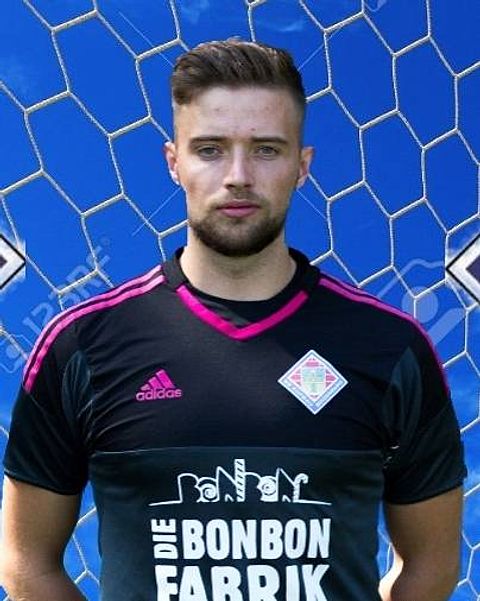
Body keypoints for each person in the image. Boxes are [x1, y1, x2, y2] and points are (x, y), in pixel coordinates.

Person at [1, 39, 465, 601]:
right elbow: (25, 563)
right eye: (210, 149)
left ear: (302, 166)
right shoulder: (82, 345)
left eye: (266, 149)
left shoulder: (390, 346)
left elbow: (431, 565)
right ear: (174, 162)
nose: (239, 176)